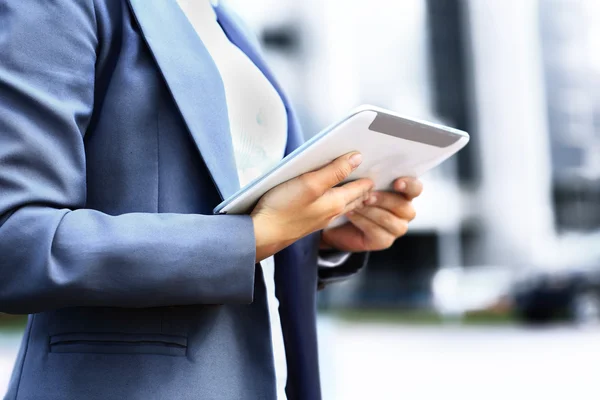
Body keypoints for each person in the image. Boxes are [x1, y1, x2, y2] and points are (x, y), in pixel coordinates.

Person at [0, 1, 423, 399]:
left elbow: (229, 206)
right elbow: (15, 240)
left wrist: (320, 231)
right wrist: (248, 239)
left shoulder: (227, 23)